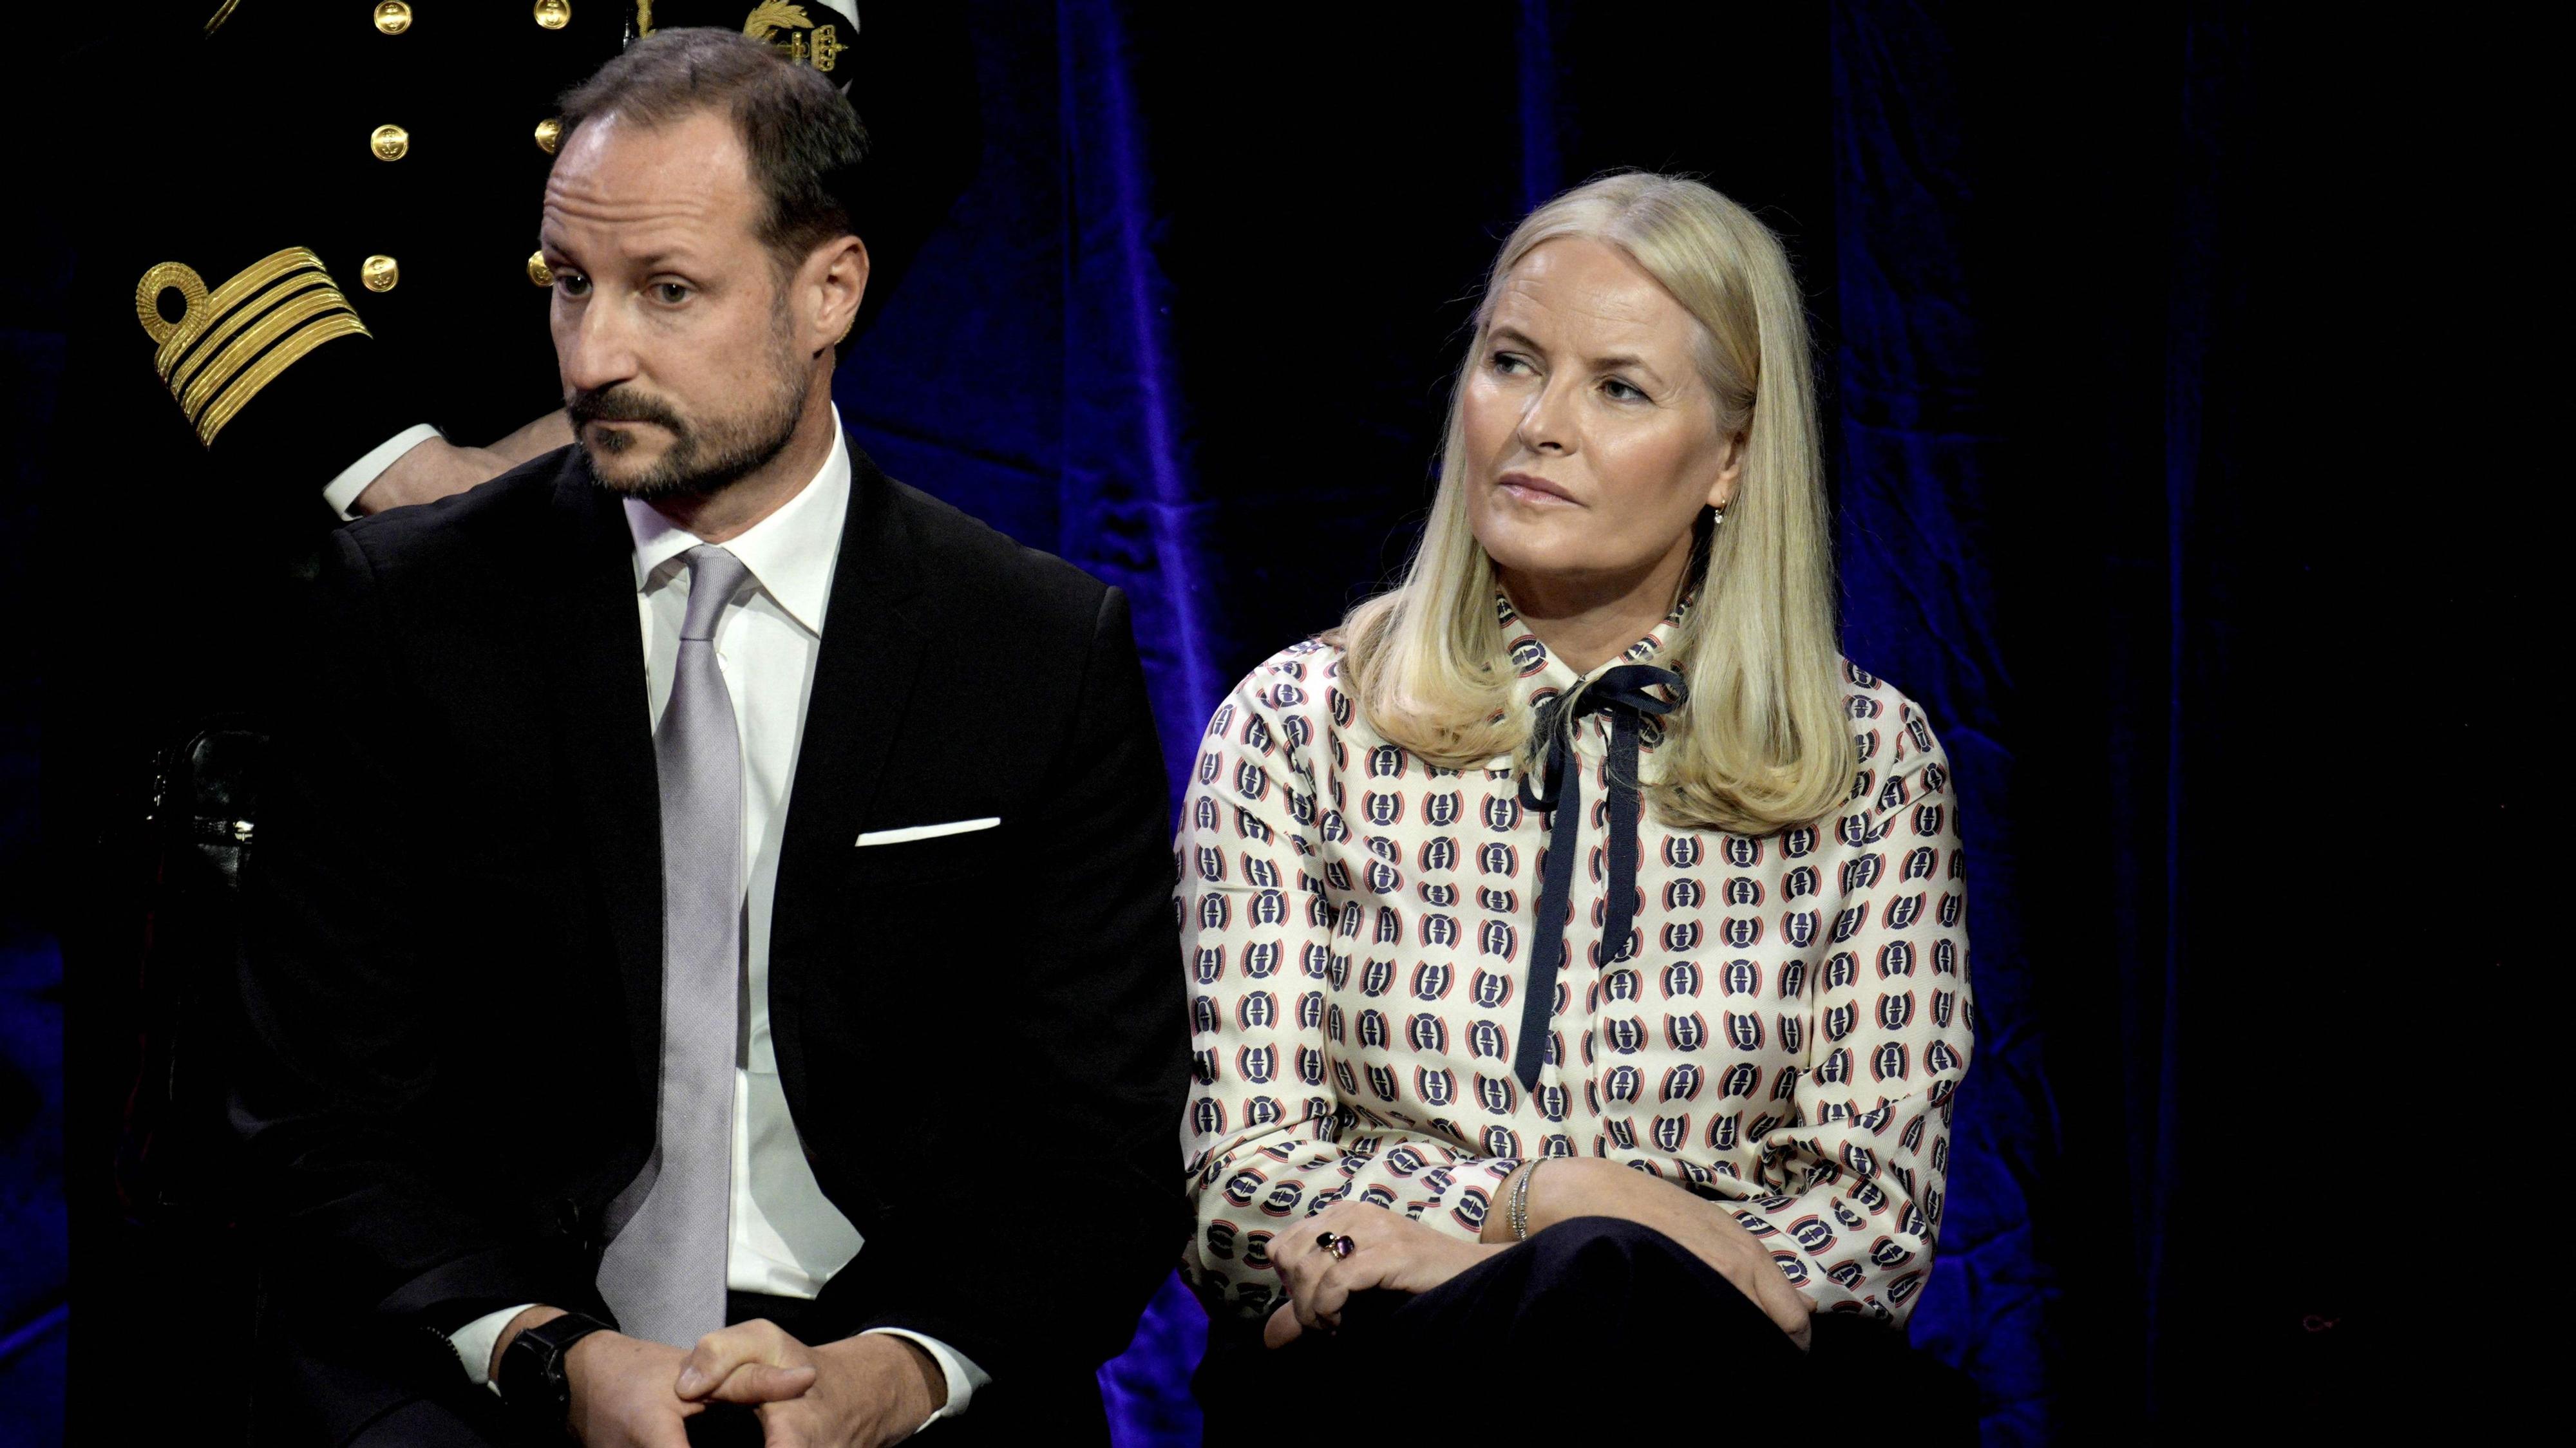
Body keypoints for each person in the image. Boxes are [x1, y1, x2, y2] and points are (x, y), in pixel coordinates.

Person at [230, 29, 1181, 1447]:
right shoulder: (404, 614)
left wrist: (897, 1371)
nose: (593, 355)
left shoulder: (1034, 648)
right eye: (569, 284)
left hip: (890, 1360)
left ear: (829, 290)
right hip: (497, 1363)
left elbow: (1096, 1144)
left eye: (666, 291)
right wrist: (545, 1355)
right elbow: (322, 1114)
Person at [51, 10, 975, 1439]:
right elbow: (156, 115)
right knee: (229, 1263)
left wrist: (618, 414)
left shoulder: (1027, 640)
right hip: (276, 575)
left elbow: (860, 85)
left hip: (653, 523)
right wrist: (392, 468)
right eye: (576, 291)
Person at [1177, 173, 1982, 1438]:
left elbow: (1867, 1229)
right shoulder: (1299, 725)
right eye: (1512, 363)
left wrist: (1557, 1235)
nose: (1540, 424)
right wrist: (1542, 1212)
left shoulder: (1867, 760)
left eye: (1618, 388)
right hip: (1389, 1385)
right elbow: (1244, 1193)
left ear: (1730, 458)